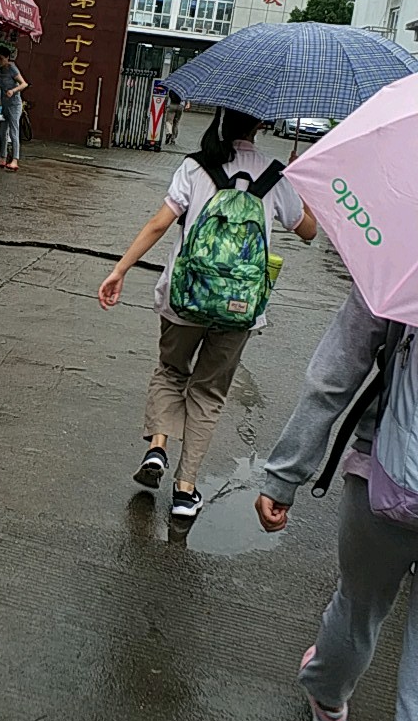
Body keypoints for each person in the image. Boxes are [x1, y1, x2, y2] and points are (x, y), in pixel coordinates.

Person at [256, 286, 417, 721]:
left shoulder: (402, 251)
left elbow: (336, 371)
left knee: (358, 606)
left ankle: (327, 695)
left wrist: (286, 474)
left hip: (385, 482)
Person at [98, 108, 316, 518]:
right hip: (240, 308)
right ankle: (185, 491)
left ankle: (157, 448)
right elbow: (308, 231)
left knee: (170, 370)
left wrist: (119, 269)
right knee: (208, 393)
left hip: (184, 297)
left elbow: (159, 224)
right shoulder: (273, 175)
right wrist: (299, 182)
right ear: (259, 125)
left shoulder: (195, 167)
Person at [0, 48, 28, 172]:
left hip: (14, 104)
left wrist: (13, 90)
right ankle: (2, 157)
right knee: (2, 132)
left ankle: (15, 160)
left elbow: (24, 84)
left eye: (1, 59)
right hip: (4, 104)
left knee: (13, 131)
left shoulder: (12, 69)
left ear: (7, 58)